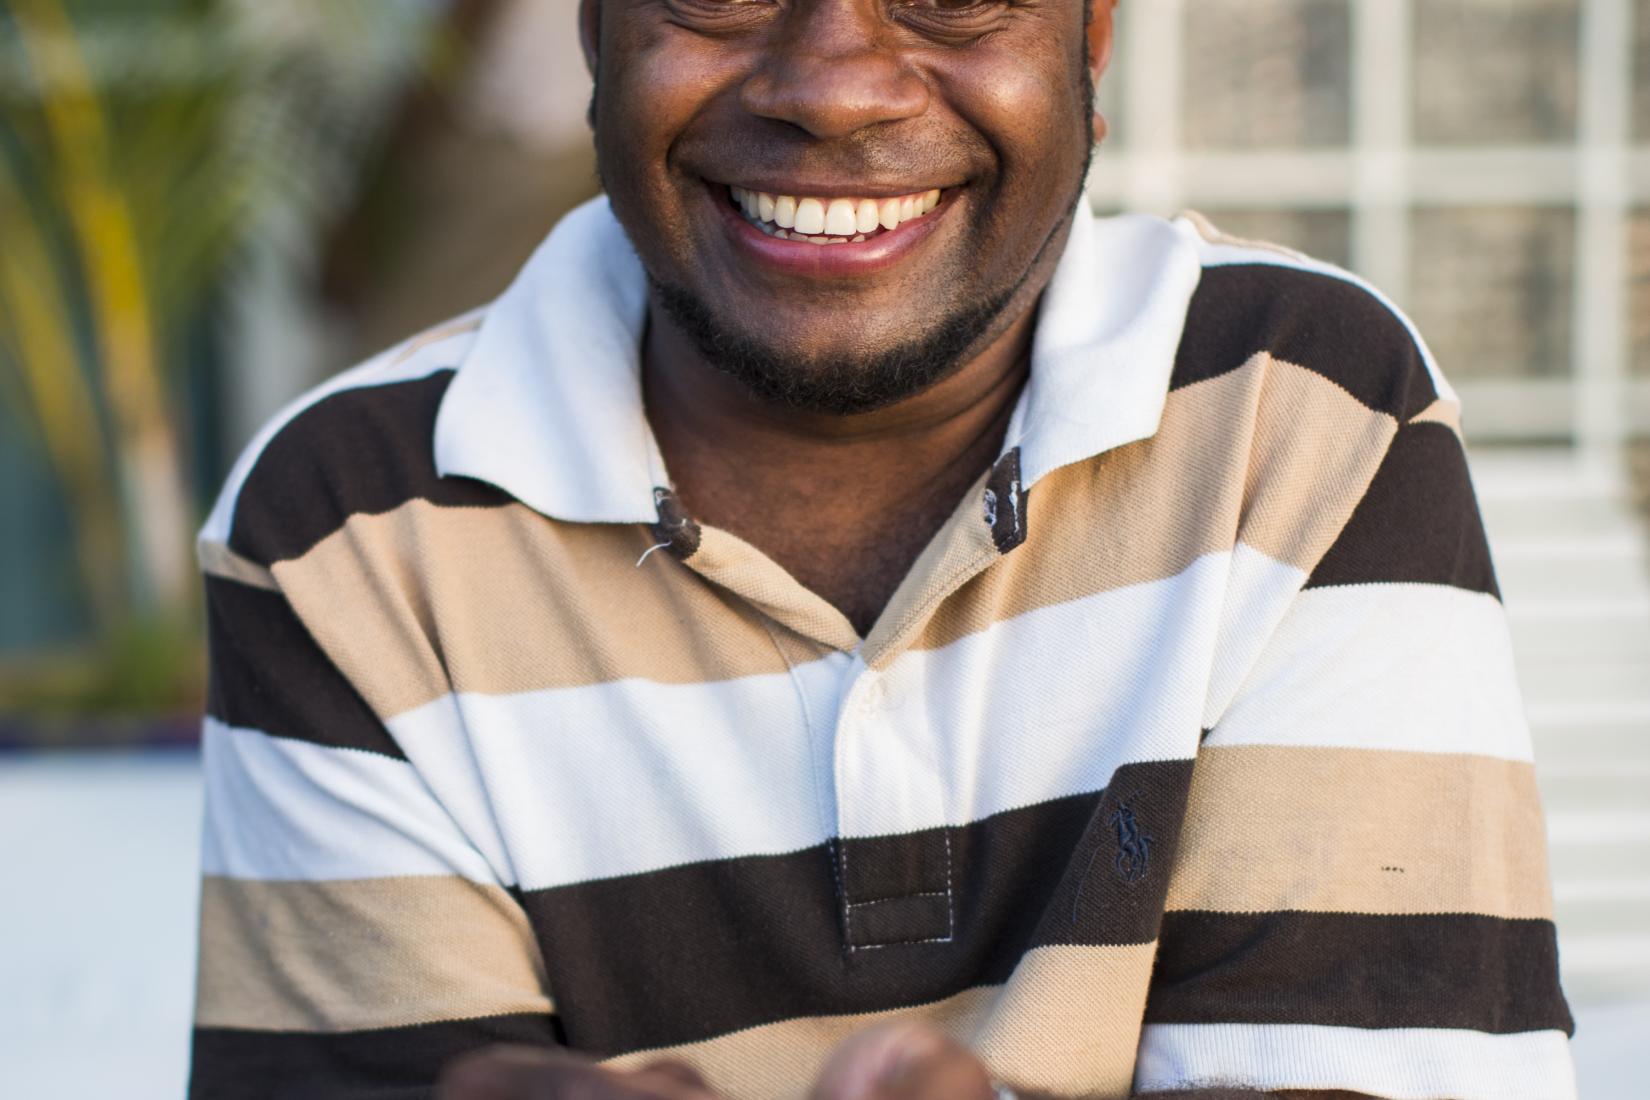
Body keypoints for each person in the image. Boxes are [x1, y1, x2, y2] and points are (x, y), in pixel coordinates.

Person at [186, 0, 1574, 1097]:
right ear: (593, 30)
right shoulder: (351, 526)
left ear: (1090, 37)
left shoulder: (1293, 412)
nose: (833, 83)